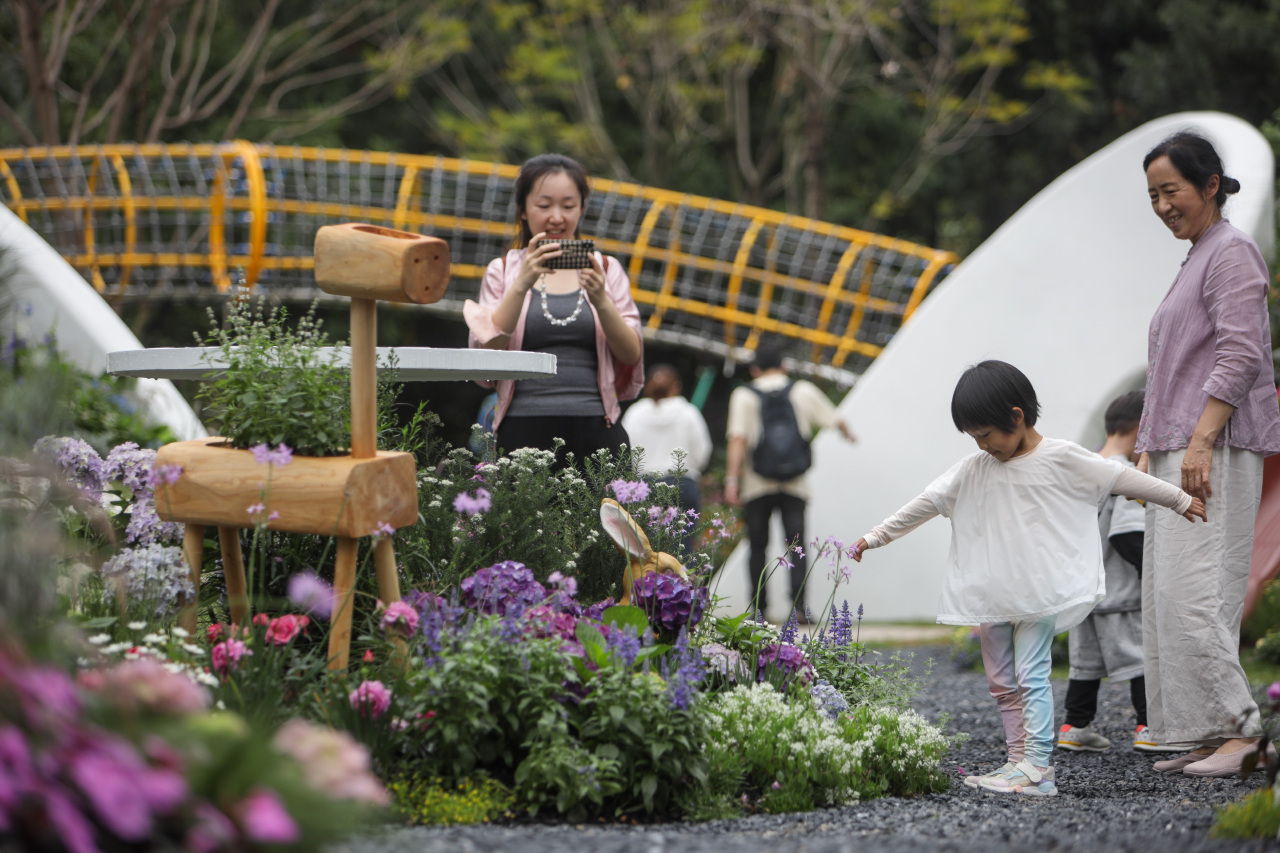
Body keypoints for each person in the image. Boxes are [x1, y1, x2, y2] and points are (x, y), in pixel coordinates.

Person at [851, 361, 1205, 797]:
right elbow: (927, 502)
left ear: (1016, 416)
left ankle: (1038, 767)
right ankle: (1017, 761)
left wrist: (1178, 498)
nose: (982, 445)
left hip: (1038, 593)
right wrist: (875, 536)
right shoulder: (974, 468)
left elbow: (1119, 476)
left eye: (986, 434)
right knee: (1001, 682)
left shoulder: (1061, 457)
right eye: (974, 438)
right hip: (991, 594)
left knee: (1031, 674)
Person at [1136, 131, 1280, 777]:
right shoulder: (1197, 255)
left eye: (1172, 191)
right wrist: (1147, 447)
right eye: (1153, 196)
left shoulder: (1232, 252)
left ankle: (1245, 732)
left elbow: (1242, 351)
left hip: (1213, 445)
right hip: (1181, 447)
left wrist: (1199, 439)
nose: (1163, 205)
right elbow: (1173, 365)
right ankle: (1207, 731)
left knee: (1194, 592)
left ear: (1210, 185)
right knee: (1173, 595)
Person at [463, 153, 643, 469]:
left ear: (582, 208)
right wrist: (522, 283)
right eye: (544, 206)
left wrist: (601, 300)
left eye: (568, 206)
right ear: (522, 209)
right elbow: (487, 351)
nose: (556, 217)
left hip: (596, 427)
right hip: (522, 427)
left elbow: (631, 353)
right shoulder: (503, 270)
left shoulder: (605, 268)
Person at [1057, 389, 1179, 755]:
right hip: (1121, 593)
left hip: (1083, 593)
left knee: (1085, 664)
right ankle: (1149, 726)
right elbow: (1126, 532)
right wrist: (1151, 572)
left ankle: (1075, 727)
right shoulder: (1124, 474)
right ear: (1143, 428)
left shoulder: (1081, 472)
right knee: (1140, 657)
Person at [725, 342, 854, 619]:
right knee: (796, 547)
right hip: (795, 483)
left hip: (756, 484)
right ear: (784, 366)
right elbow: (836, 420)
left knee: (757, 547)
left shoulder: (744, 395)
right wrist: (849, 435)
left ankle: (759, 610)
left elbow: (738, 439)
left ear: (755, 369)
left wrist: (732, 480)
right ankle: (799, 609)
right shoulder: (802, 390)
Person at [621, 364, 712, 558]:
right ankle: (683, 587)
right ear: (676, 387)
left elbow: (625, 453)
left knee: (646, 551)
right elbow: (702, 453)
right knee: (683, 548)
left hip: (645, 487)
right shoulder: (689, 412)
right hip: (682, 484)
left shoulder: (635, 413)